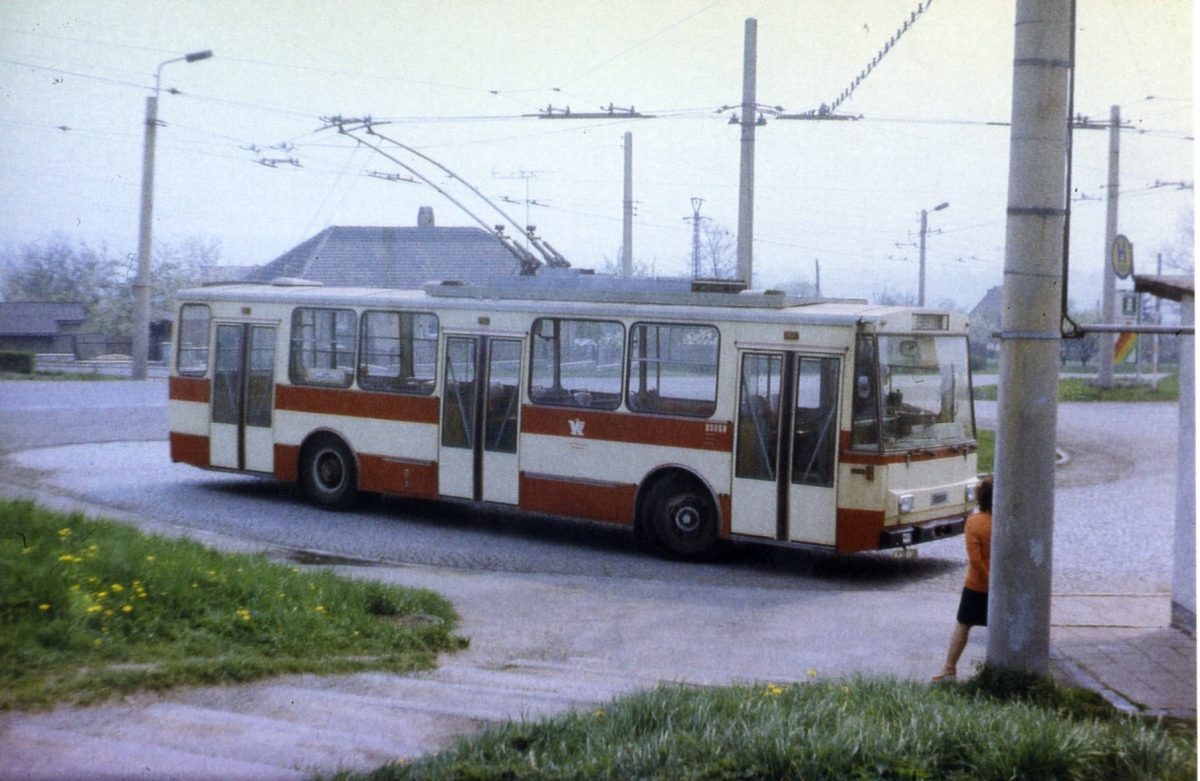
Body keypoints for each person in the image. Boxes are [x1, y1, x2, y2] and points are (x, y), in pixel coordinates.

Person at [933, 476, 993, 681]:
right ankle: (1002, 670)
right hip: (1004, 586)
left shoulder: (974, 523)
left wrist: (988, 581)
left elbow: (976, 561)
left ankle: (949, 670)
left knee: (963, 624)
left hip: (977, 585)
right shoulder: (1008, 522)